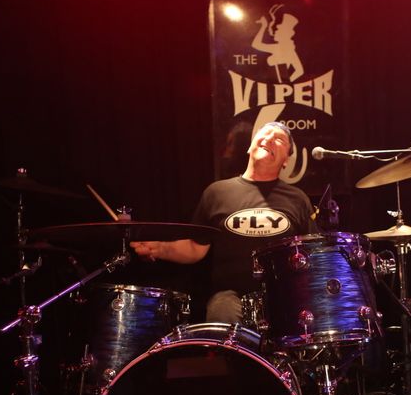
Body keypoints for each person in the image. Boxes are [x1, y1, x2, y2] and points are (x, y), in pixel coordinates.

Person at [130, 121, 316, 323]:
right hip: (229, 297)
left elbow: (313, 253)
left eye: (279, 139)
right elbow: (195, 248)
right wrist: (158, 248)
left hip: (283, 295)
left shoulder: (298, 199)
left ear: (286, 160)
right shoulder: (217, 193)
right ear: (250, 147)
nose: (270, 139)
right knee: (221, 313)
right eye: (265, 134)